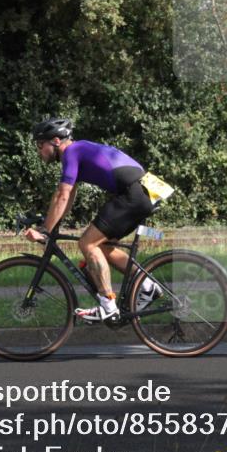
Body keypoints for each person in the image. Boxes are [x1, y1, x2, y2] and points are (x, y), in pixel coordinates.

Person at [23, 117, 162, 322]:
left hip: (134, 194)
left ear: (55, 141)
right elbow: (68, 197)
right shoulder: (80, 150)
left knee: (87, 243)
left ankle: (108, 305)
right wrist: (51, 225)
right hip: (146, 190)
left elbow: (62, 195)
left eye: (40, 145)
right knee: (102, 246)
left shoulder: (71, 153)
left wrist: (44, 230)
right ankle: (147, 286)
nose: (38, 151)